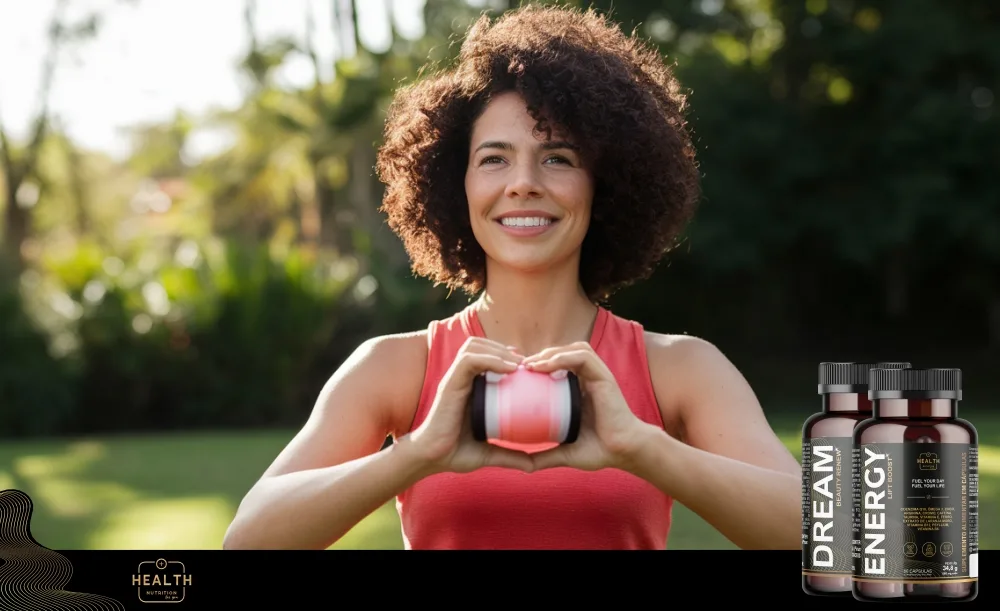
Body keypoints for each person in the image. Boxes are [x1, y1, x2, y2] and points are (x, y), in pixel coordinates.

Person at [223, 4, 801, 551]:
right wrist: (417, 454)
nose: (522, 183)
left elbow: (836, 537)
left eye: (558, 158)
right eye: (494, 158)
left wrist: (642, 447)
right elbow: (247, 539)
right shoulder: (395, 367)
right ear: (458, 185)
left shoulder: (680, 369)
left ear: (605, 187)